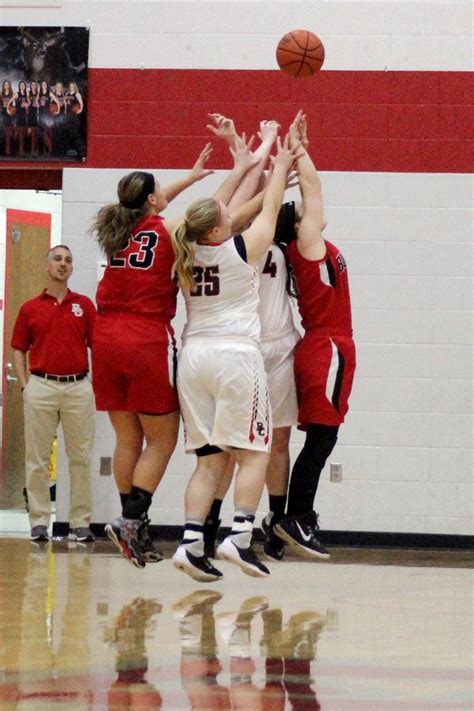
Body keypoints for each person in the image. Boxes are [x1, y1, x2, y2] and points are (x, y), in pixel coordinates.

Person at [171, 131, 301, 583]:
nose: (232, 213)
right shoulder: (240, 250)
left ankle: (190, 544)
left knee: (209, 460)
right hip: (234, 357)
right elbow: (268, 209)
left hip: (192, 358)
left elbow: (216, 206)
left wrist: (248, 162)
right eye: (227, 215)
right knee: (255, 453)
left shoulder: (180, 247)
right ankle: (239, 537)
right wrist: (281, 164)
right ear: (217, 229)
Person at [92, 144, 221, 569]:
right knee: (163, 439)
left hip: (105, 338)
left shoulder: (115, 230)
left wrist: (192, 174)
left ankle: (132, 524)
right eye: (159, 189)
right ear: (151, 199)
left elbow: (158, 199)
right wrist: (238, 173)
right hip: (145, 338)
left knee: (128, 439)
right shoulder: (167, 230)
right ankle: (131, 520)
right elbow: (209, 212)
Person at [202, 113, 300, 563]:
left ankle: (274, 524)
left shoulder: (277, 247)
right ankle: (214, 529)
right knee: (230, 449)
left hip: (277, 349)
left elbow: (246, 204)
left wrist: (266, 154)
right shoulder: (237, 245)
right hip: (244, 352)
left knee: (275, 443)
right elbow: (238, 205)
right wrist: (268, 154)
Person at [273, 112, 356, 559]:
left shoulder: (307, 246)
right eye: (304, 213)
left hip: (326, 345)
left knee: (319, 438)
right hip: (327, 346)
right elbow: (314, 189)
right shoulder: (307, 245)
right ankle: (297, 518)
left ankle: (282, 524)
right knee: (323, 439)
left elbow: (313, 196)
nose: (313, 213)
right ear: (299, 225)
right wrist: (300, 148)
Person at [11, 245, 96, 542]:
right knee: (36, 458)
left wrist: (92, 384)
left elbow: (96, 346)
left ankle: (80, 522)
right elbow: (18, 349)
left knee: (81, 457)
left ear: (72, 269)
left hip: (78, 387)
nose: (63, 264)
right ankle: (38, 522)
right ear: (47, 266)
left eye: (68, 260)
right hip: (41, 387)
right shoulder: (30, 308)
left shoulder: (84, 305)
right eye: (57, 259)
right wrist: (25, 385)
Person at [1, 79, 15, 157]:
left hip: (9, 114)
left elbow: (17, 95)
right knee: (3, 133)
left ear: (9, 86)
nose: (6, 86)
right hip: (3, 114)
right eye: (5, 84)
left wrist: (10, 103)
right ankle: (4, 150)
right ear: (3, 86)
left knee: (9, 133)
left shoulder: (12, 93)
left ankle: (9, 150)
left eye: (7, 84)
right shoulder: (1, 94)